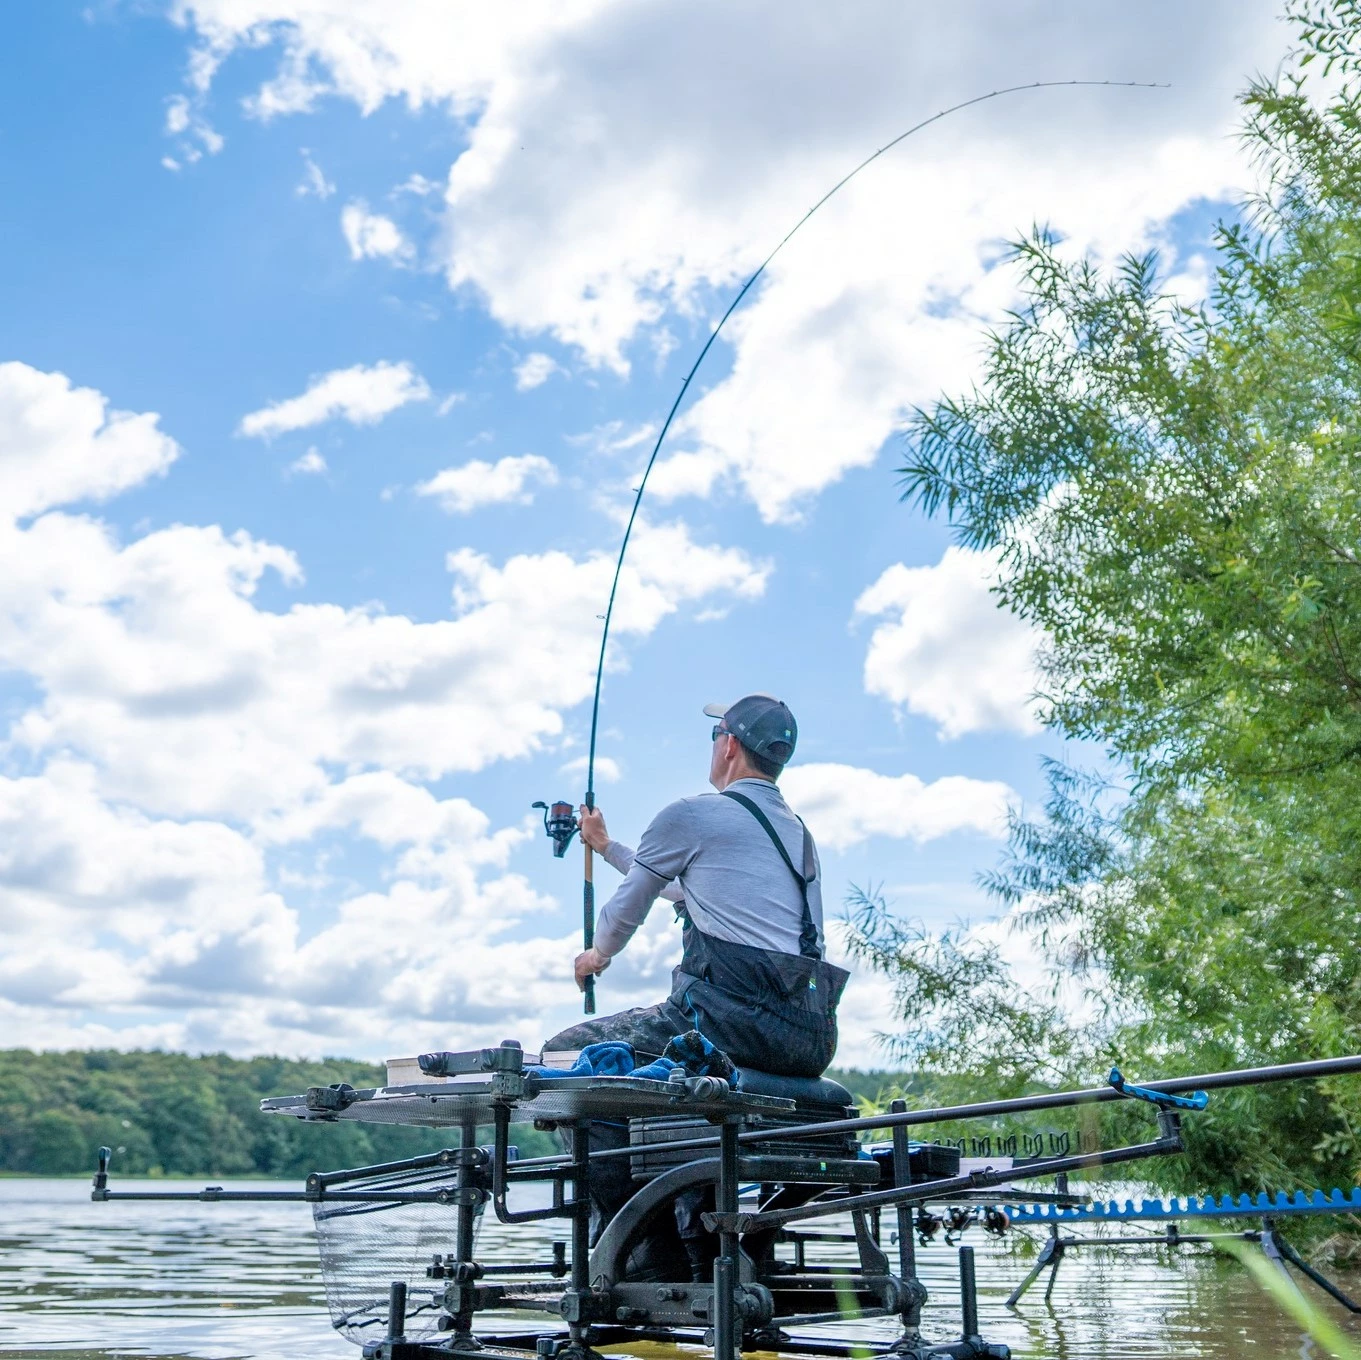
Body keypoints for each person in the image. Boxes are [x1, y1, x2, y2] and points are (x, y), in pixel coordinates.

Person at [543, 694, 849, 1079]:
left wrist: (596, 957)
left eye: (715, 734)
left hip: (729, 1024)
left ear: (731, 746)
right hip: (807, 1038)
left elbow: (624, 913)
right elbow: (675, 887)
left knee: (565, 1055)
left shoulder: (692, 814)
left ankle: (631, 1142)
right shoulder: (799, 835)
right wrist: (605, 847)